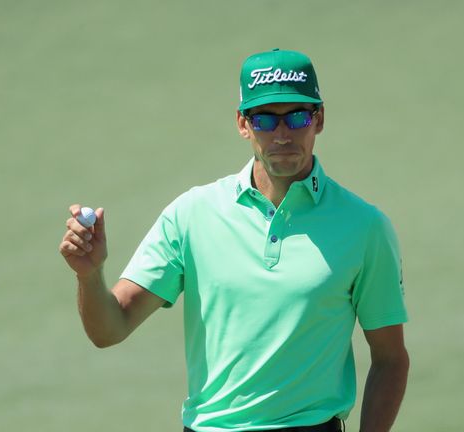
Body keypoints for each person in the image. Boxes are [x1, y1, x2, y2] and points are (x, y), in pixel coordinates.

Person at [59, 49, 409, 432]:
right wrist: (90, 277)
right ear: (243, 124)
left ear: (319, 119)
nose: (282, 135)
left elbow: (390, 358)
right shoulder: (191, 214)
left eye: (297, 117)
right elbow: (111, 329)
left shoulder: (364, 227)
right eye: (264, 119)